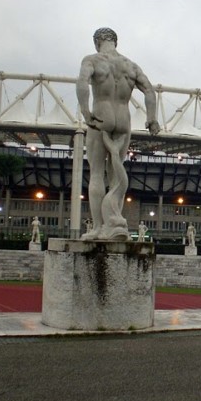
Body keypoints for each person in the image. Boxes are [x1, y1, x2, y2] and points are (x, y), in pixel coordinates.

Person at [77, 28, 160, 241]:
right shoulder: (131, 66)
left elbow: (82, 83)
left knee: (96, 173)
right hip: (124, 120)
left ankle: (98, 228)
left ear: (97, 42)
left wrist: (86, 111)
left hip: (102, 116)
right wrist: (152, 118)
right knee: (116, 174)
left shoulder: (92, 60)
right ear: (115, 41)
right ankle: (115, 223)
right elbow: (149, 91)